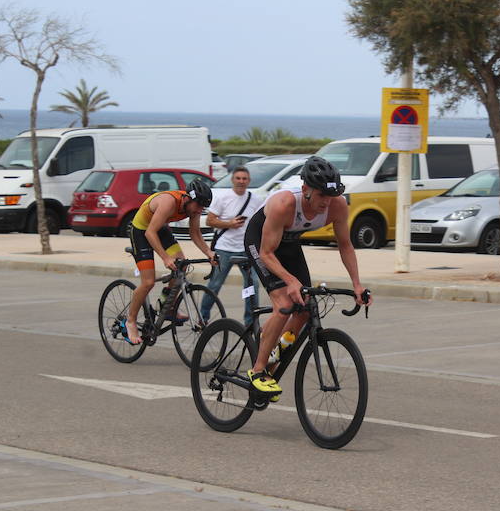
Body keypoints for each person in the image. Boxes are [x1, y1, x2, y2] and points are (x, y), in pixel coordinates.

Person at [243, 156, 372, 399]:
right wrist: (290, 281)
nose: (326, 201)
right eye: (321, 195)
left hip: (290, 244)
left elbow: (345, 245)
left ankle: (273, 356)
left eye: (330, 195)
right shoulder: (284, 204)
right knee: (284, 302)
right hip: (262, 243)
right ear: (305, 190)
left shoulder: (337, 205)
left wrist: (357, 284)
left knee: (303, 309)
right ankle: (258, 370)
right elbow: (266, 253)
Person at [123, 179, 217, 345]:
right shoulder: (169, 202)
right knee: (148, 282)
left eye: (203, 207)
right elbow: (150, 233)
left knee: (182, 263)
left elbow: (195, 233)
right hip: (141, 231)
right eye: (198, 206)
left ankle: (165, 305)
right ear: (188, 198)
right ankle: (130, 321)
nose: (200, 210)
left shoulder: (193, 208)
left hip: (160, 229)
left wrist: (209, 252)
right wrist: (165, 258)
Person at [201, 165, 264, 326]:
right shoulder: (223, 197)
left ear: (249, 181)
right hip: (224, 248)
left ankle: (250, 323)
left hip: (246, 250)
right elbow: (210, 220)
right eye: (238, 178)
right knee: (215, 284)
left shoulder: (255, 200)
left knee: (252, 285)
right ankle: (203, 317)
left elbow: (261, 223)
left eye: (244, 179)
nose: (241, 181)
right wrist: (229, 223)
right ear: (232, 180)